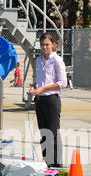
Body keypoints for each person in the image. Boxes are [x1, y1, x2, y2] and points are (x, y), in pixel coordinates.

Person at [29, 33, 67, 168]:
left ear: (53, 45)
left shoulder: (57, 60)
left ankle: (57, 165)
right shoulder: (39, 60)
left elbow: (63, 83)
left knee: (53, 133)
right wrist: (34, 87)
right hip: (39, 100)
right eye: (42, 45)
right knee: (44, 133)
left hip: (52, 100)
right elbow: (39, 80)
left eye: (47, 44)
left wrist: (43, 88)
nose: (44, 47)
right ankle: (48, 162)